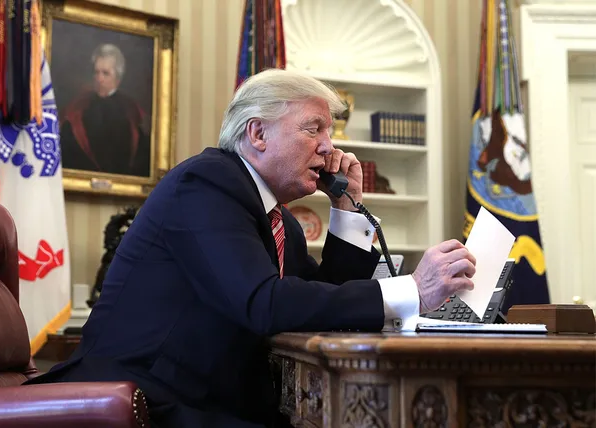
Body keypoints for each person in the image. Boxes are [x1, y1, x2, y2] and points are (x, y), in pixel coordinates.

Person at [25, 69, 476, 427]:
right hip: (146, 400)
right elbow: (263, 303)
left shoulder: (281, 221)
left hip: (212, 400)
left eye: (330, 132)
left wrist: (347, 210)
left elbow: (322, 303)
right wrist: (412, 289)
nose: (329, 147)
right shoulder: (205, 184)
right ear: (258, 134)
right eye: (314, 129)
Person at [59, 43, 151, 177]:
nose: (99, 79)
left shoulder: (132, 111)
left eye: (105, 73)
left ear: (118, 78)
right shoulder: (78, 107)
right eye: (96, 72)